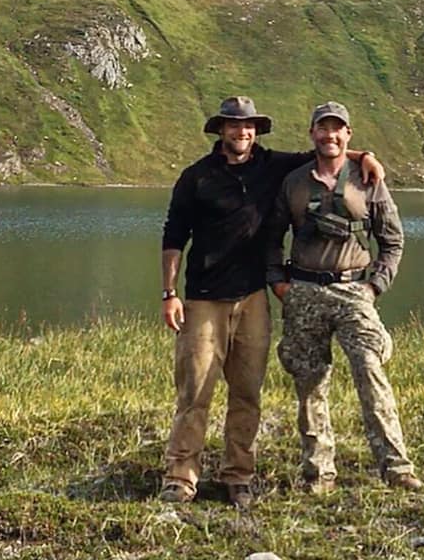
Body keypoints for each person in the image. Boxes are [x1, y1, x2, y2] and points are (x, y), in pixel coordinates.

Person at [159, 95, 384, 509]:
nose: (241, 132)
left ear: (256, 131)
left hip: (254, 298)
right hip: (204, 298)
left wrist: (365, 156)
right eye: (233, 125)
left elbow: (325, 152)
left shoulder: (273, 166)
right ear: (220, 130)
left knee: (247, 392)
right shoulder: (196, 177)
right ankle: (180, 476)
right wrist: (169, 294)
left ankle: (238, 476)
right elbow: (174, 236)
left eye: (248, 126)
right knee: (195, 392)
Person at [267, 101, 422, 494]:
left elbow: (393, 240)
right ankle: (318, 473)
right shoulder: (293, 182)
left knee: (370, 370)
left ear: (348, 134)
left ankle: (397, 468)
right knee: (309, 382)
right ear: (312, 134)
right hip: (303, 291)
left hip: (354, 290)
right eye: (323, 128)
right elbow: (270, 240)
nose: (330, 135)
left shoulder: (368, 179)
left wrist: (374, 286)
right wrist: (279, 284)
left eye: (338, 129)